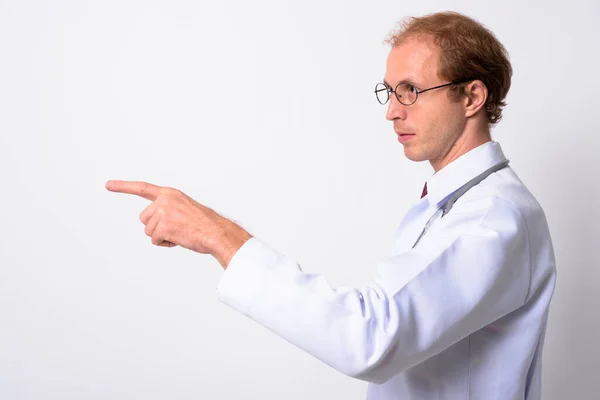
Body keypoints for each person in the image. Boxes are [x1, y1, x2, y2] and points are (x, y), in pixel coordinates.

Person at [105, 11, 556, 400]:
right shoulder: (452, 204)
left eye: (411, 90)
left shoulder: (494, 219)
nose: (392, 111)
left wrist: (218, 235)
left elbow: (370, 337)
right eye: (390, 91)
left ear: (472, 97)